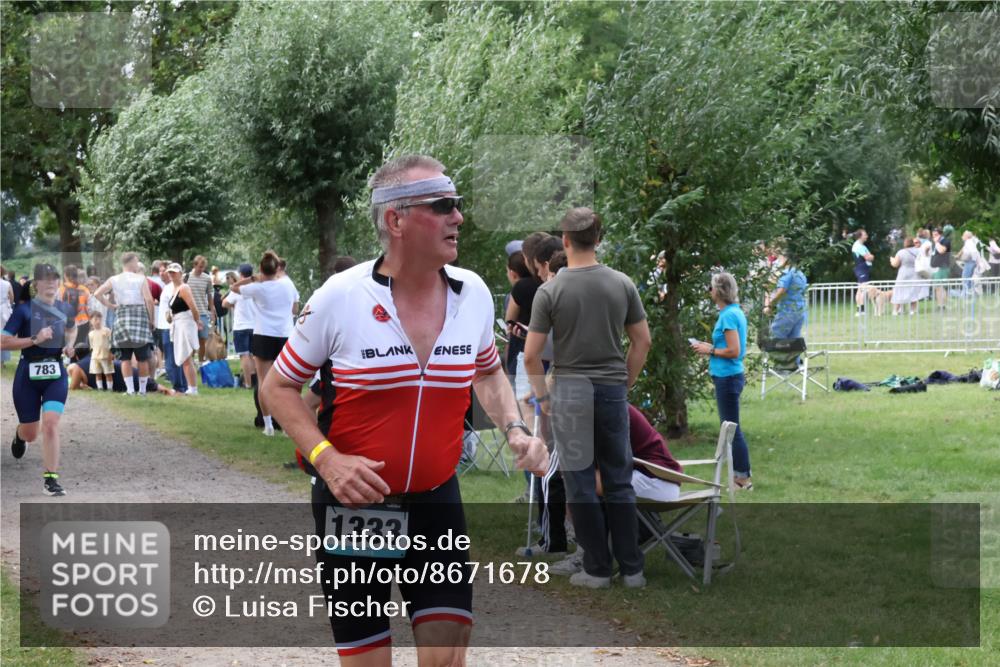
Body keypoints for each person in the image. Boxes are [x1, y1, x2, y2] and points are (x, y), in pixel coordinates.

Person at [264, 154, 548, 664]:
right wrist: (328, 460)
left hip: (437, 501)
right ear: (395, 219)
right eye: (442, 205)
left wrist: (514, 429)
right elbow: (278, 387)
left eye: (457, 204)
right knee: (368, 658)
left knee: (447, 656)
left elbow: (487, 372)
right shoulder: (340, 297)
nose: (458, 216)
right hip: (358, 505)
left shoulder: (473, 293)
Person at [524, 206, 652, 590]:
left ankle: (596, 569)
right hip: (611, 389)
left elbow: (531, 355)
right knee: (619, 479)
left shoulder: (550, 291)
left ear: (564, 240)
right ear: (598, 239)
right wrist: (624, 382)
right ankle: (632, 569)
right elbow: (642, 341)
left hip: (570, 391)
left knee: (580, 483)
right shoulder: (622, 284)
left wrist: (543, 397)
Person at [1, 263, 77, 496]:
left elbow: (72, 328)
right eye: (45, 279)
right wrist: (34, 339)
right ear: (36, 284)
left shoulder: (65, 308)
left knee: (51, 423)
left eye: (54, 278)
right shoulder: (23, 311)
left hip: (56, 373)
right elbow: (3, 342)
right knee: (31, 433)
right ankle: (20, 435)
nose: (51, 282)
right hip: (28, 374)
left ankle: (51, 480)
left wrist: (70, 344)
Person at [690, 272, 751, 489]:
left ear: (719, 290)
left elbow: (734, 351)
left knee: (731, 429)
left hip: (728, 377)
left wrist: (710, 350)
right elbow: (730, 347)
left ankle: (742, 478)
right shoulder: (733, 312)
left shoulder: (728, 316)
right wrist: (710, 347)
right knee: (730, 427)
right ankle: (740, 475)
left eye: (711, 287)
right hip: (728, 376)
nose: (709, 291)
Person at [231, 250, 298, 436]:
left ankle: (268, 425)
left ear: (261, 269)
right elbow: (295, 307)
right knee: (286, 382)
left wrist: (253, 278)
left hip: (263, 335)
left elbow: (234, 288)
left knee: (264, 381)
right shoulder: (288, 285)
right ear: (277, 269)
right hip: (285, 335)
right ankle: (286, 425)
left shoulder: (257, 288)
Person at [93, 252, 156, 396]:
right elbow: (149, 300)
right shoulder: (141, 279)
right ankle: (142, 391)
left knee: (125, 358)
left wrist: (110, 305)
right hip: (139, 317)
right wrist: (152, 320)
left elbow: (97, 293)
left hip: (121, 317)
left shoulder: (114, 279)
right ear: (132, 262)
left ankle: (130, 390)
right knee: (142, 358)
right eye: (136, 261)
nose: (137, 264)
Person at [165, 262, 202, 396]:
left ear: (180, 273)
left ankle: (193, 388)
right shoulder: (174, 289)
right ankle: (191, 387)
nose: (171, 274)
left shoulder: (184, 288)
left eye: (174, 272)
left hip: (185, 324)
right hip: (178, 323)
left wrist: (197, 322)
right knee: (185, 358)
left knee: (186, 357)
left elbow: (193, 308)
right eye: (170, 272)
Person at [222, 264, 259, 389]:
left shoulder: (239, 289)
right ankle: (256, 381)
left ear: (241, 274)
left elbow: (224, 303)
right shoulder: (256, 288)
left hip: (241, 326)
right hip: (255, 326)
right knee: (254, 356)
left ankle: (247, 383)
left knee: (244, 355)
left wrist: (234, 305)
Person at [765, 250, 808, 340]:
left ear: (786, 259)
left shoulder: (787, 273)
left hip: (787, 312)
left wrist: (770, 305)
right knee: (794, 342)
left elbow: (781, 291)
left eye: (779, 258)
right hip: (800, 311)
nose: (777, 261)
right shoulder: (800, 274)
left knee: (776, 338)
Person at [57, 265, 91, 362]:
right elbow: (90, 307)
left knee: (68, 347)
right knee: (81, 346)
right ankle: (81, 365)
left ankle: (69, 366)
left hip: (68, 323)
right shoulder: (84, 289)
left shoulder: (61, 289)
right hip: (83, 322)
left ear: (65, 275)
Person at [185, 255, 215, 363]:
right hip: (189, 313)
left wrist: (212, 311)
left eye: (203, 267)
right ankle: (191, 362)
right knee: (191, 341)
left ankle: (201, 362)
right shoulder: (186, 277)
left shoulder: (207, 278)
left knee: (203, 339)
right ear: (194, 265)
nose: (202, 269)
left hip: (203, 313)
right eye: (200, 267)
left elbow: (210, 295)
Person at [889, 237, 922, 316]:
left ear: (905, 243)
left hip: (903, 273)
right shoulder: (918, 251)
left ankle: (896, 310)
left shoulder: (901, 252)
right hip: (915, 272)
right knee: (913, 291)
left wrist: (892, 260)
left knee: (899, 291)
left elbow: (895, 264)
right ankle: (913, 310)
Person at [86, 312, 114, 390]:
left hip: (105, 356)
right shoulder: (90, 334)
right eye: (95, 319)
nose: (98, 321)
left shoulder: (107, 330)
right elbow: (92, 346)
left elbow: (111, 343)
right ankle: (100, 388)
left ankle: (110, 389)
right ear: (91, 321)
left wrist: (111, 353)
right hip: (95, 357)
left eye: (99, 319)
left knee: (108, 373)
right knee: (97, 373)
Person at [851, 229, 875, 316]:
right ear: (860, 236)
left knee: (860, 289)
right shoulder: (858, 246)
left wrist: (871, 257)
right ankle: (860, 310)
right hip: (861, 268)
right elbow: (868, 257)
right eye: (865, 235)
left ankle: (860, 310)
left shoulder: (862, 246)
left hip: (864, 268)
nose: (867, 236)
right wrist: (871, 257)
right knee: (862, 289)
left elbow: (871, 257)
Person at [930, 226, 952, 310]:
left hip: (943, 267)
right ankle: (940, 305)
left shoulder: (945, 241)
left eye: (936, 235)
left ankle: (943, 305)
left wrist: (936, 242)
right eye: (933, 235)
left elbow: (942, 251)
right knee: (937, 287)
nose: (934, 237)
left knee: (941, 287)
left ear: (940, 234)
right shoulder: (935, 243)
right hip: (936, 267)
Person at [0, 265, 13, 367]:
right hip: (4, 310)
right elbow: (12, 298)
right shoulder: (7, 283)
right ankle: (2, 361)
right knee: (3, 335)